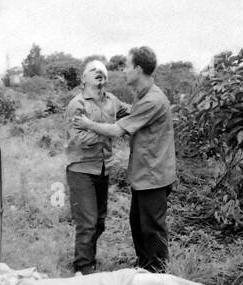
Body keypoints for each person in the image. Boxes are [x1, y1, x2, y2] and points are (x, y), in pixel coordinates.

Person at [73, 46, 176, 272]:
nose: (123, 71)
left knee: (151, 228)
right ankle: (144, 267)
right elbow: (130, 113)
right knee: (138, 224)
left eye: (127, 66)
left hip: (154, 174)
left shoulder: (151, 100)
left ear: (138, 69)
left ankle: (157, 273)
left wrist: (90, 125)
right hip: (142, 173)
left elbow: (119, 130)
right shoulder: (142, 95)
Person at [64, 60, 128, 274]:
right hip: (81, 169)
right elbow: (81, 139)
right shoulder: (77, 104)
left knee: (99, 221)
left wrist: (98, 127)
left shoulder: (112, 101)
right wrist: (112, 130)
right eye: (94, 70)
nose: (100, 72)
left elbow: (132, 116)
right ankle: (82, 266)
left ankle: (88, 259)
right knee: (88, 221)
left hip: (103, 168)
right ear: (83, 79)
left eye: (103, 71)